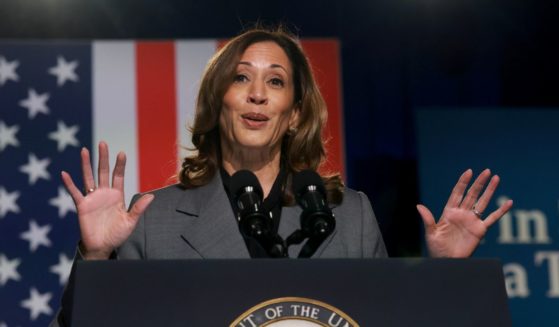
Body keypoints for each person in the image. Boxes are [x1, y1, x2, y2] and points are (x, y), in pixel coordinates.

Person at [51, 27, 513, 325]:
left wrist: (448, 276)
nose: (257, 95)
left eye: (275, 81)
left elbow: (383, 318)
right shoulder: (154, 218)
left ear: (294, 114)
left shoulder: (347, 214)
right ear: (217, 103)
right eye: (239, 79)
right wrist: (94, 258)